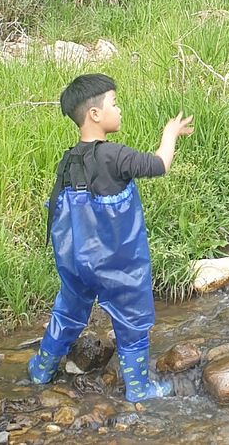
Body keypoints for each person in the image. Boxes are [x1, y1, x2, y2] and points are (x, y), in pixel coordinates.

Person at [28, 73, 195, 400]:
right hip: (115, 262)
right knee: (132, 316)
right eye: (114, 104)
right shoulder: (114, 155)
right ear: (94, 114)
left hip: (75, 262)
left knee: (69, 311)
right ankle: (139, 387)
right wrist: (170, 133)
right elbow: (160, 165)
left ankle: (42, 369)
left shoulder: (68, 160)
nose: (119, 110)